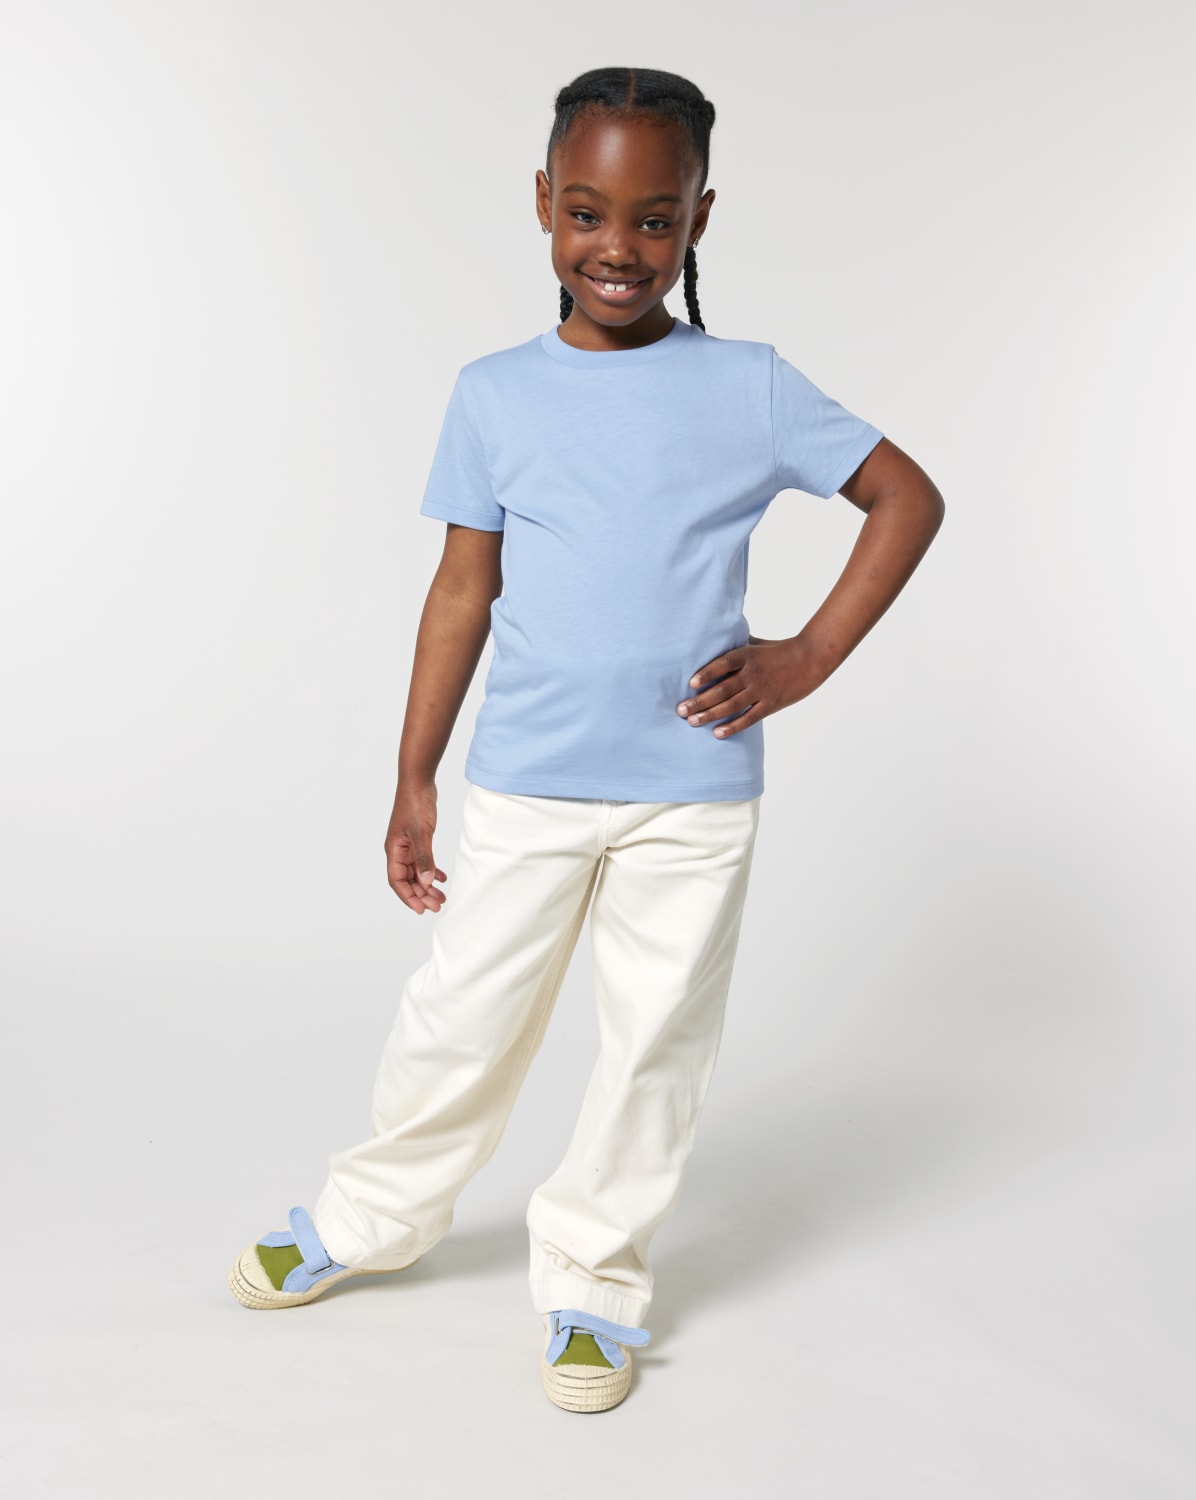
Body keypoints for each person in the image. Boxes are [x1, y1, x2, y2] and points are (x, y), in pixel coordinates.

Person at [227, 66, 945, 1414]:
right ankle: (375, 1215)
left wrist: (804, 657)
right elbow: (462, 590)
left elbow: (906, 496)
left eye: (656, 219)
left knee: (656, 1043)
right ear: (545, 204)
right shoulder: (494, 394)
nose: (620, 246)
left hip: (694, 795)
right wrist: (413, 774)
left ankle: (595, 1280)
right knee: (461, 1017)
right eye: (589, 212)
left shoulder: (748, 385)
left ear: (700, 219)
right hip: (528, 784)